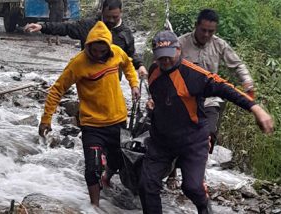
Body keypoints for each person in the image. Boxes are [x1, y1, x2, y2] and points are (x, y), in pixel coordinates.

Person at [139, 30, 273, 214]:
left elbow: (226, 88)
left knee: (191, 187)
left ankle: (204, 208)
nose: (166, 62)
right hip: (162, 140)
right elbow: (161, 94)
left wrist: (255, 108)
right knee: (147, 185)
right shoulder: (154, 70)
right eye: (161, 58)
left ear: (179, 50)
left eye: (169, 57)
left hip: (192, 140)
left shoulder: (194, 75)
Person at [38, 21, 140, 207]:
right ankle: (95, 207)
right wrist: (46, 119)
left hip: (117, 120)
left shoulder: (117, 52)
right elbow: (56, 90)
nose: (98, 55)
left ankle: (107, 177)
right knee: (92, 168)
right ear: (88, 45)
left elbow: (128, 65)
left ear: (108, 47)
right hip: (92, 125)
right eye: (95, 51)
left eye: (103, 51)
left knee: (118, 160)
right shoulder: (78, 63)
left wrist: (134, 85)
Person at [165, 8, 257, 189]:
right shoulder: (180, 43)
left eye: (211, 31)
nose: (206, 34)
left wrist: (247, 82)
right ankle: (172, 172)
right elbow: (166, 68)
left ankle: (196, 175)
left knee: (208, 133)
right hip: (184, 99)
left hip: (209, 100)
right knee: (177, 135)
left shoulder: (219, 45)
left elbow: (237, 64)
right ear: (196, 26)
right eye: (203, 30)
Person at [24, 0, 148, 78]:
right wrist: (42, 26)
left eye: (114, 17)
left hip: (112, 80)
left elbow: (130, 53)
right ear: (102, 11)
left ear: (121, 12)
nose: (110, 20)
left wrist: (140, 66)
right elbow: (66, 27)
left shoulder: (125, 33)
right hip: (88, 77)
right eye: (107, 16)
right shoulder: (88, 26)